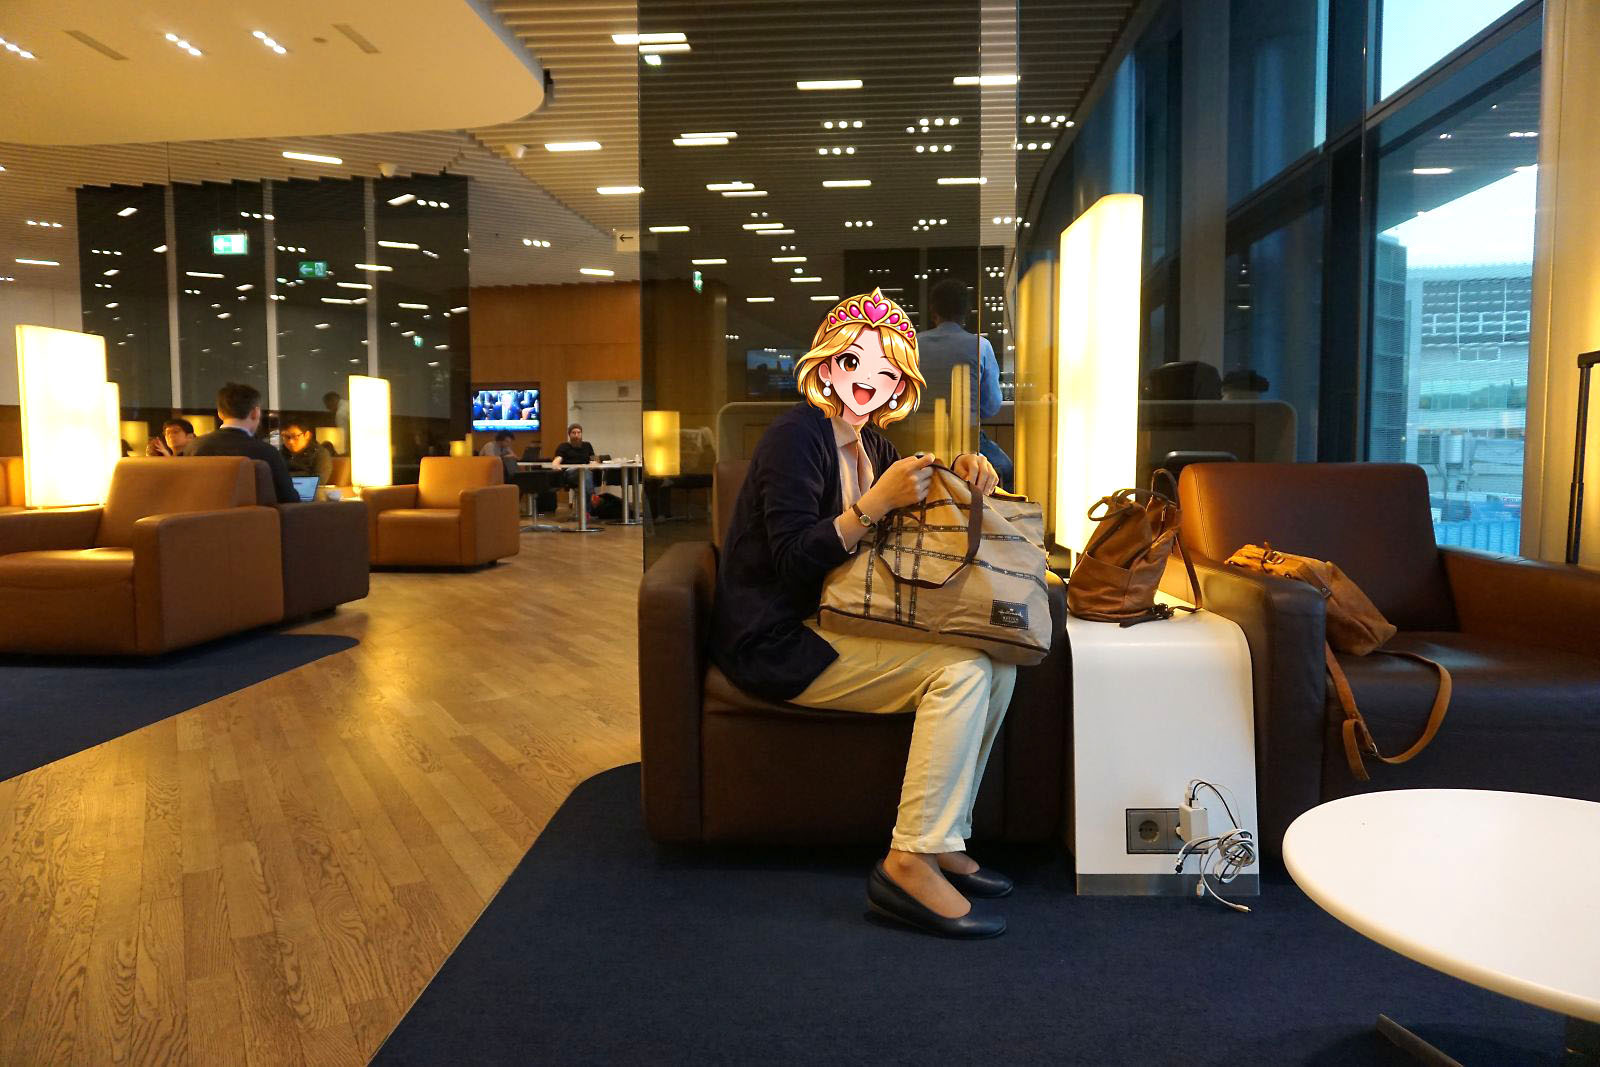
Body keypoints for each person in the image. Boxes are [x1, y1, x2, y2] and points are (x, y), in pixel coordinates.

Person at [712, 287, 1009, 939]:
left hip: (837, 619)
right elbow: (793, 560)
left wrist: (961, 474)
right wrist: (874, 504)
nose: (868, 380)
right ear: (825, 367)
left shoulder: (870, 443)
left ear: (900, 383)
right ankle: (907, 861)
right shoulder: (796, 437)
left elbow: (904, 525)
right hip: (779, 638)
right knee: (961, 671)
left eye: (885, 370)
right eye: (853, 363)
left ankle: (943, 837)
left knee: (1000, 666)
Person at [916, 278, 1014, 492]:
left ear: (933, 311)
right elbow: (991, 407)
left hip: (915, 440)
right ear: (966, 312)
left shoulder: (913, 344)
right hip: (965, 438)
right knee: (1005, 470)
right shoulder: (981, 345)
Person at [190, 382, 300, 502]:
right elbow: (289, 498)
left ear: (220, 413)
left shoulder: (194, 447)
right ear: (255, 413)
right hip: (252, 514)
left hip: (200, 514)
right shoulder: (266, 452)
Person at [550, 423, 597, 514]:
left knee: (585, 473)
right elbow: (557, 460)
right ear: (569, 434)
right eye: (573, 433)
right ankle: (592, 497)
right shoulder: (563, 446)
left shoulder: (587, 445)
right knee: (585, 473)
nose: (576, 435)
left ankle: (585, 513)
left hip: (585, 472)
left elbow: (593, 459)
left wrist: (594, 463)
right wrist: (556, 466)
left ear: (581, 434)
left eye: (578, 433)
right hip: (570, 473)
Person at [280, 417, 333, 483]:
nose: (290, 441)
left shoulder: (319, 454)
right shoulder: (279, 453)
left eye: (295, 436)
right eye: (286, 437)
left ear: (307, 435)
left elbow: (318, 481)